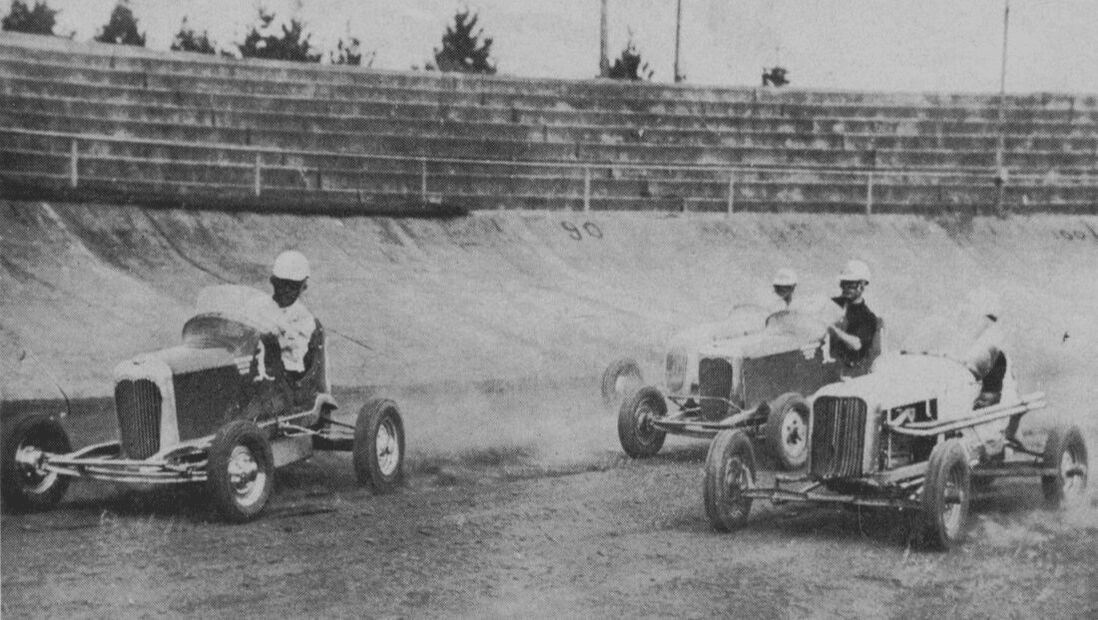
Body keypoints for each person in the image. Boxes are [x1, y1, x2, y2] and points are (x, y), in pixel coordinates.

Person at [960, 289, 1020, 442]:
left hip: (994, 396)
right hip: (986, 391)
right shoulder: (977, 338)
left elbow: (975, 369)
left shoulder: (991, 339)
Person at [269, 250, 316, 380]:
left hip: (287, 378)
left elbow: (294, 354)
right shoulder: (262, 305)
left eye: (293, 286)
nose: (286, 291)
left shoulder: (304, 318)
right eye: (282, 284)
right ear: (273, 281)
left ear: (303, 287)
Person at [827, 260, 878, 372]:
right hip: (826, 365)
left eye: (851, 284)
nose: (845, 288)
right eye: (844, 284)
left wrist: (833, 330)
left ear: (862, 285)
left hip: (850, 372)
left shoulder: (867, 317)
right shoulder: (832, 304)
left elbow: (856, 344)